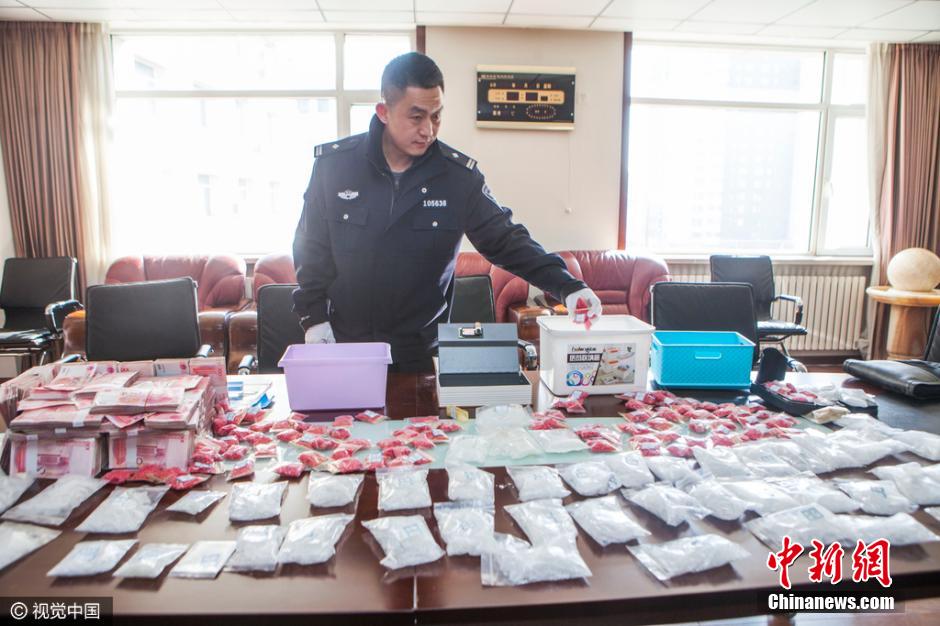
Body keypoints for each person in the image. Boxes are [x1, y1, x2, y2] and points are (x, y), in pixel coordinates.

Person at [292, 52, 601, 372]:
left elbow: (506, 240)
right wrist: (313, 319)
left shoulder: (457, 177)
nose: (428, 130)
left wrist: (567, 286)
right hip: (346, 345)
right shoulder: (335, 167)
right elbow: (310, 248)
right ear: (384, 112)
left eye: (436, 116)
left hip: (419, 352)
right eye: (416, 117)